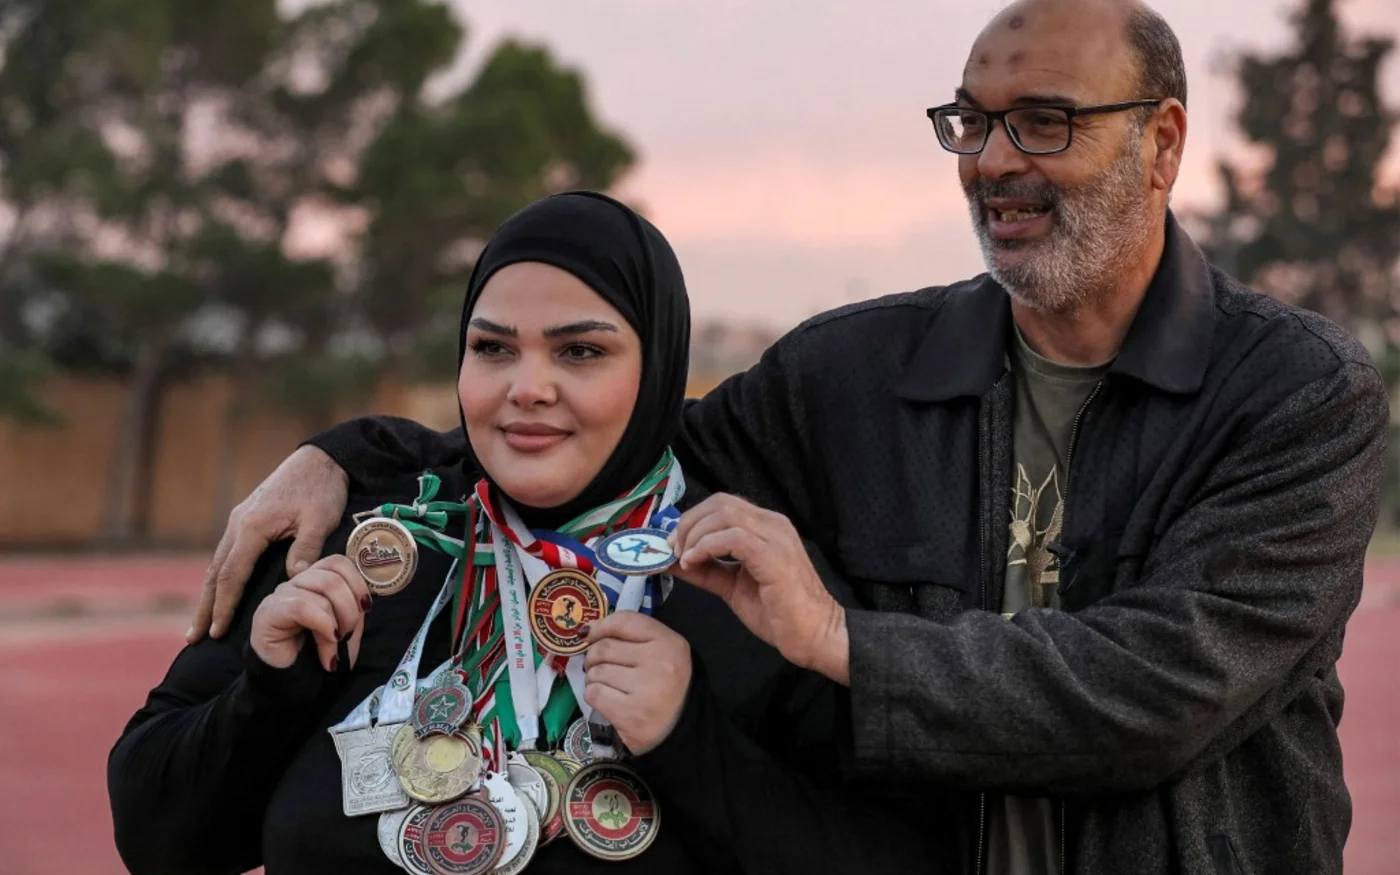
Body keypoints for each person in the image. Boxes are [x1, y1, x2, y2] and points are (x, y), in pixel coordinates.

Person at [189, 1, 1389, 873]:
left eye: (1042, 122)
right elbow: (611, 451)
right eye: (970, 122)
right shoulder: (854, 372)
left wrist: (835, 640)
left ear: (1162, 141)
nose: (992, 163)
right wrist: (352, 455)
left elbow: (1154, 688)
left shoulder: (1297, 394)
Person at [109, 192, 951, 875]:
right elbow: (158, 841)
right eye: (493, 348)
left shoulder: (752, 588)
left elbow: (909, 856)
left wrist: (691, 743)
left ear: (657, 367)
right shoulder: (359, 539)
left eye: (580, 352)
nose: (527, 387)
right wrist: (268, 696)